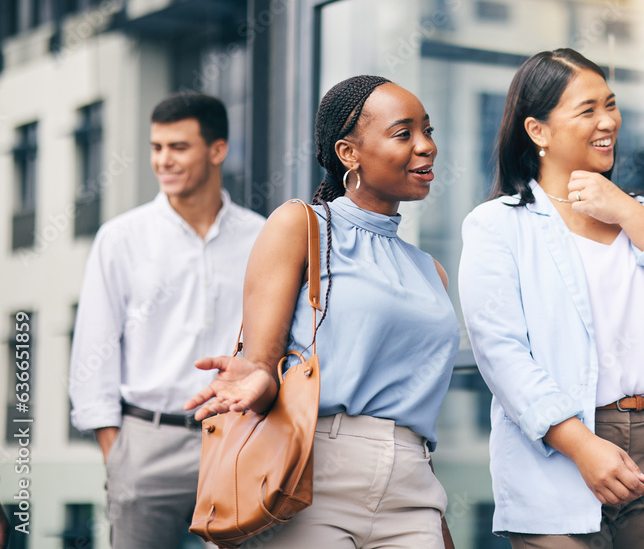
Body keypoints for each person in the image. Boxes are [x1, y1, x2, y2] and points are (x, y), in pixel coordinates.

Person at [458, 49, 644, 548]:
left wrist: (628, 213)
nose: (608, 121)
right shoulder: (498, 225)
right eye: (587, 110)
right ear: (538, 131)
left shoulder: (640, 215)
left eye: (610, 104)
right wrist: (583, 446)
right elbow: (501, 355)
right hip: (559, 447)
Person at [184, 76, 460, 548]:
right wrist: (257, 377)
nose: (426, 146)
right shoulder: (303, 225)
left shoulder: (430, 270)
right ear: (349, 153)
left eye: (428, 131)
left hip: (413, 484)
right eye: (404, 133)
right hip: (316, 476)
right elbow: (262, 361)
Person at [68, 93, 266, 547]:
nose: (163, 160)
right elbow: (94, 348)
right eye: (157, 148)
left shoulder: (261, 237)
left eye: (178, 147)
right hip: (145, 442)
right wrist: (116, 452)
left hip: (236, 442)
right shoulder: (120, 238)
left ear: (217, 150)